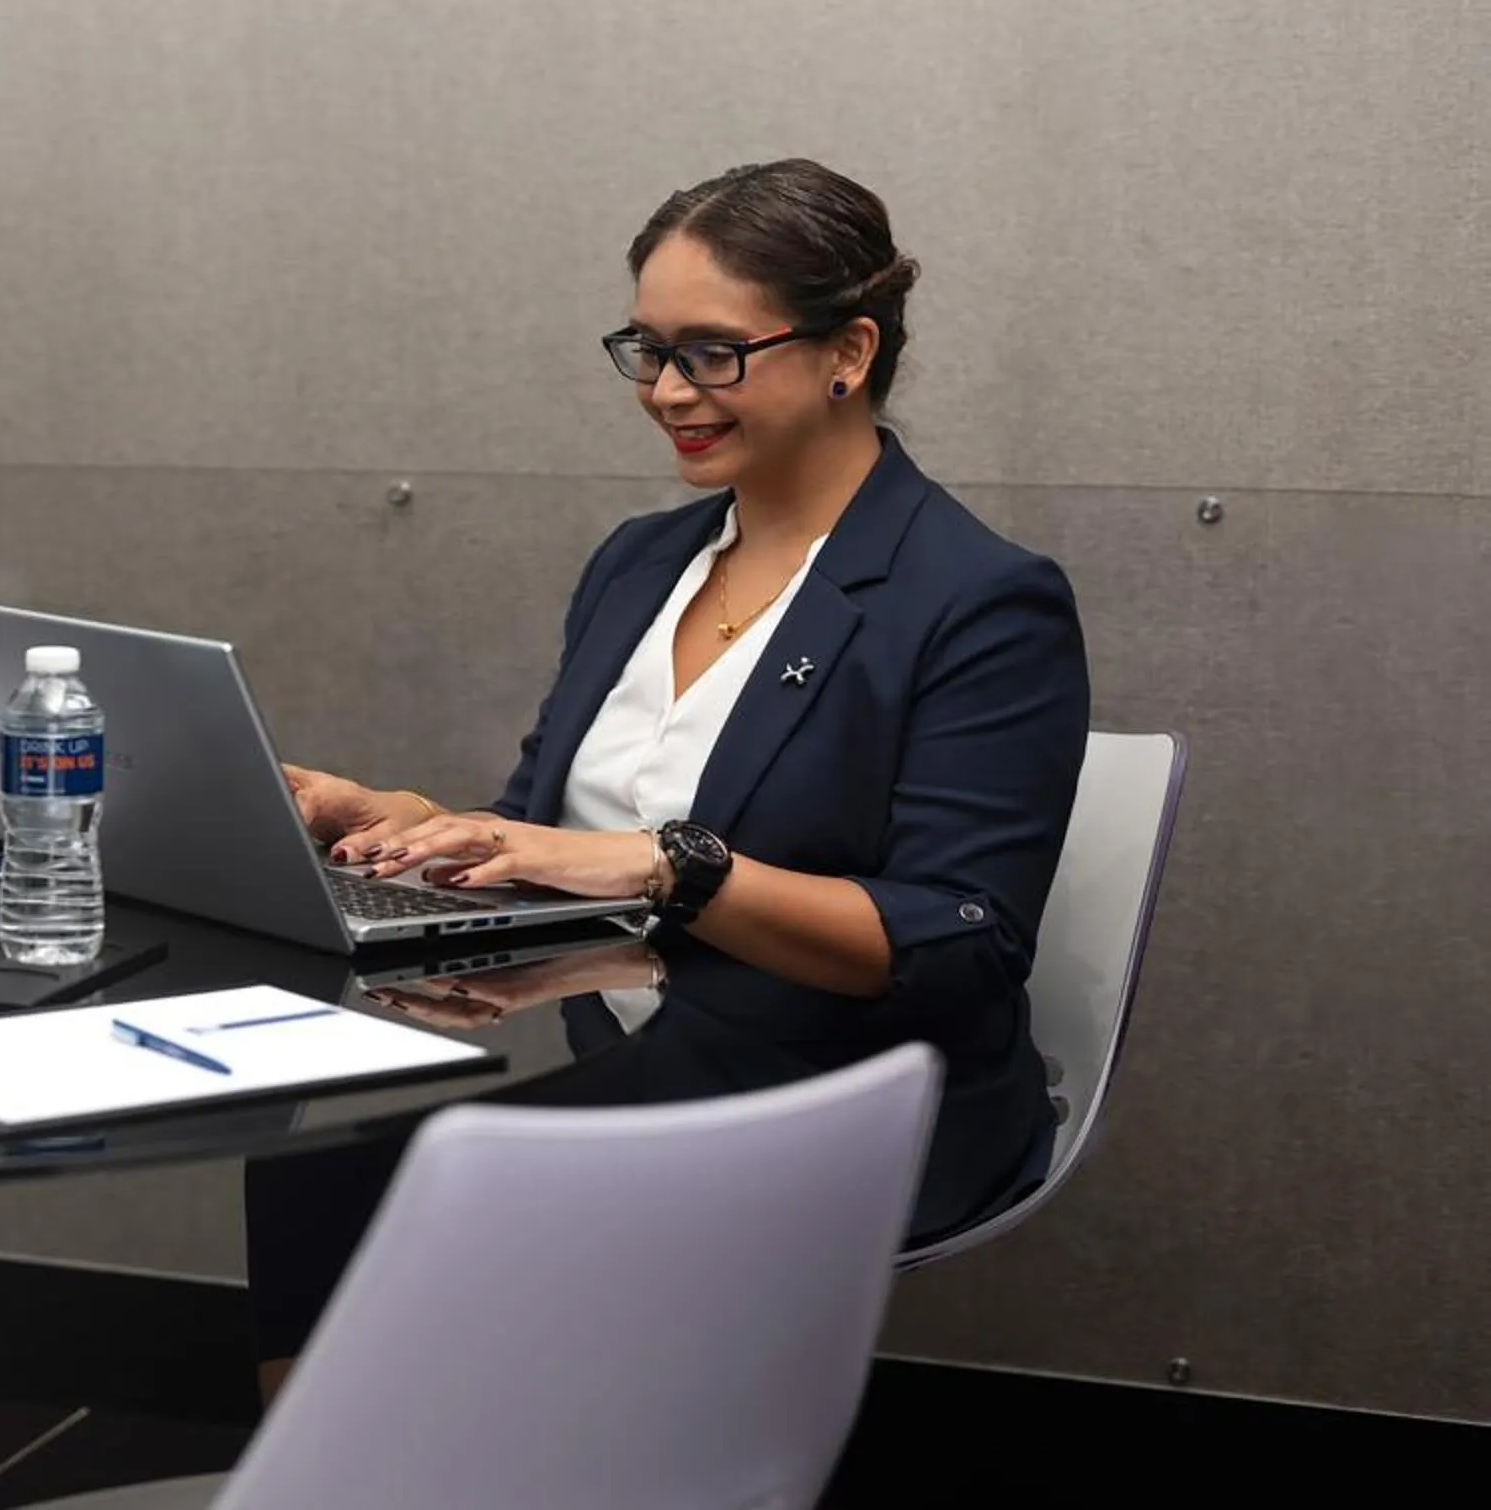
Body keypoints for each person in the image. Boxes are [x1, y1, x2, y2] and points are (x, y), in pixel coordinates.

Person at [262, 158, 1087, 1387]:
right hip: (654, 1047)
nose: (664, 391)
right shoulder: (643, 562)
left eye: (710, 352)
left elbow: (956, 942)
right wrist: (414, 822)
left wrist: (673, 866)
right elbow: (555, 822)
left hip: (849, 1090)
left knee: (390, 1178)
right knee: (310, 1158)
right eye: (644, 350)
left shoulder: (977, 600)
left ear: (847, 349)